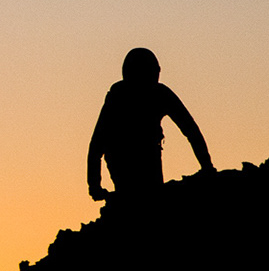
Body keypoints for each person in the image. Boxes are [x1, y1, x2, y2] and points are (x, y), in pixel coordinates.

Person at [87, 47, 214, 203]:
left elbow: (190, 130)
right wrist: (94, 185)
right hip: (121, 157)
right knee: (140, 201)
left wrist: (207, 166)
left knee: (150, 200)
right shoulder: (118, 96)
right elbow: (97, 144)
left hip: (147, 153)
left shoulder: (160, 94)